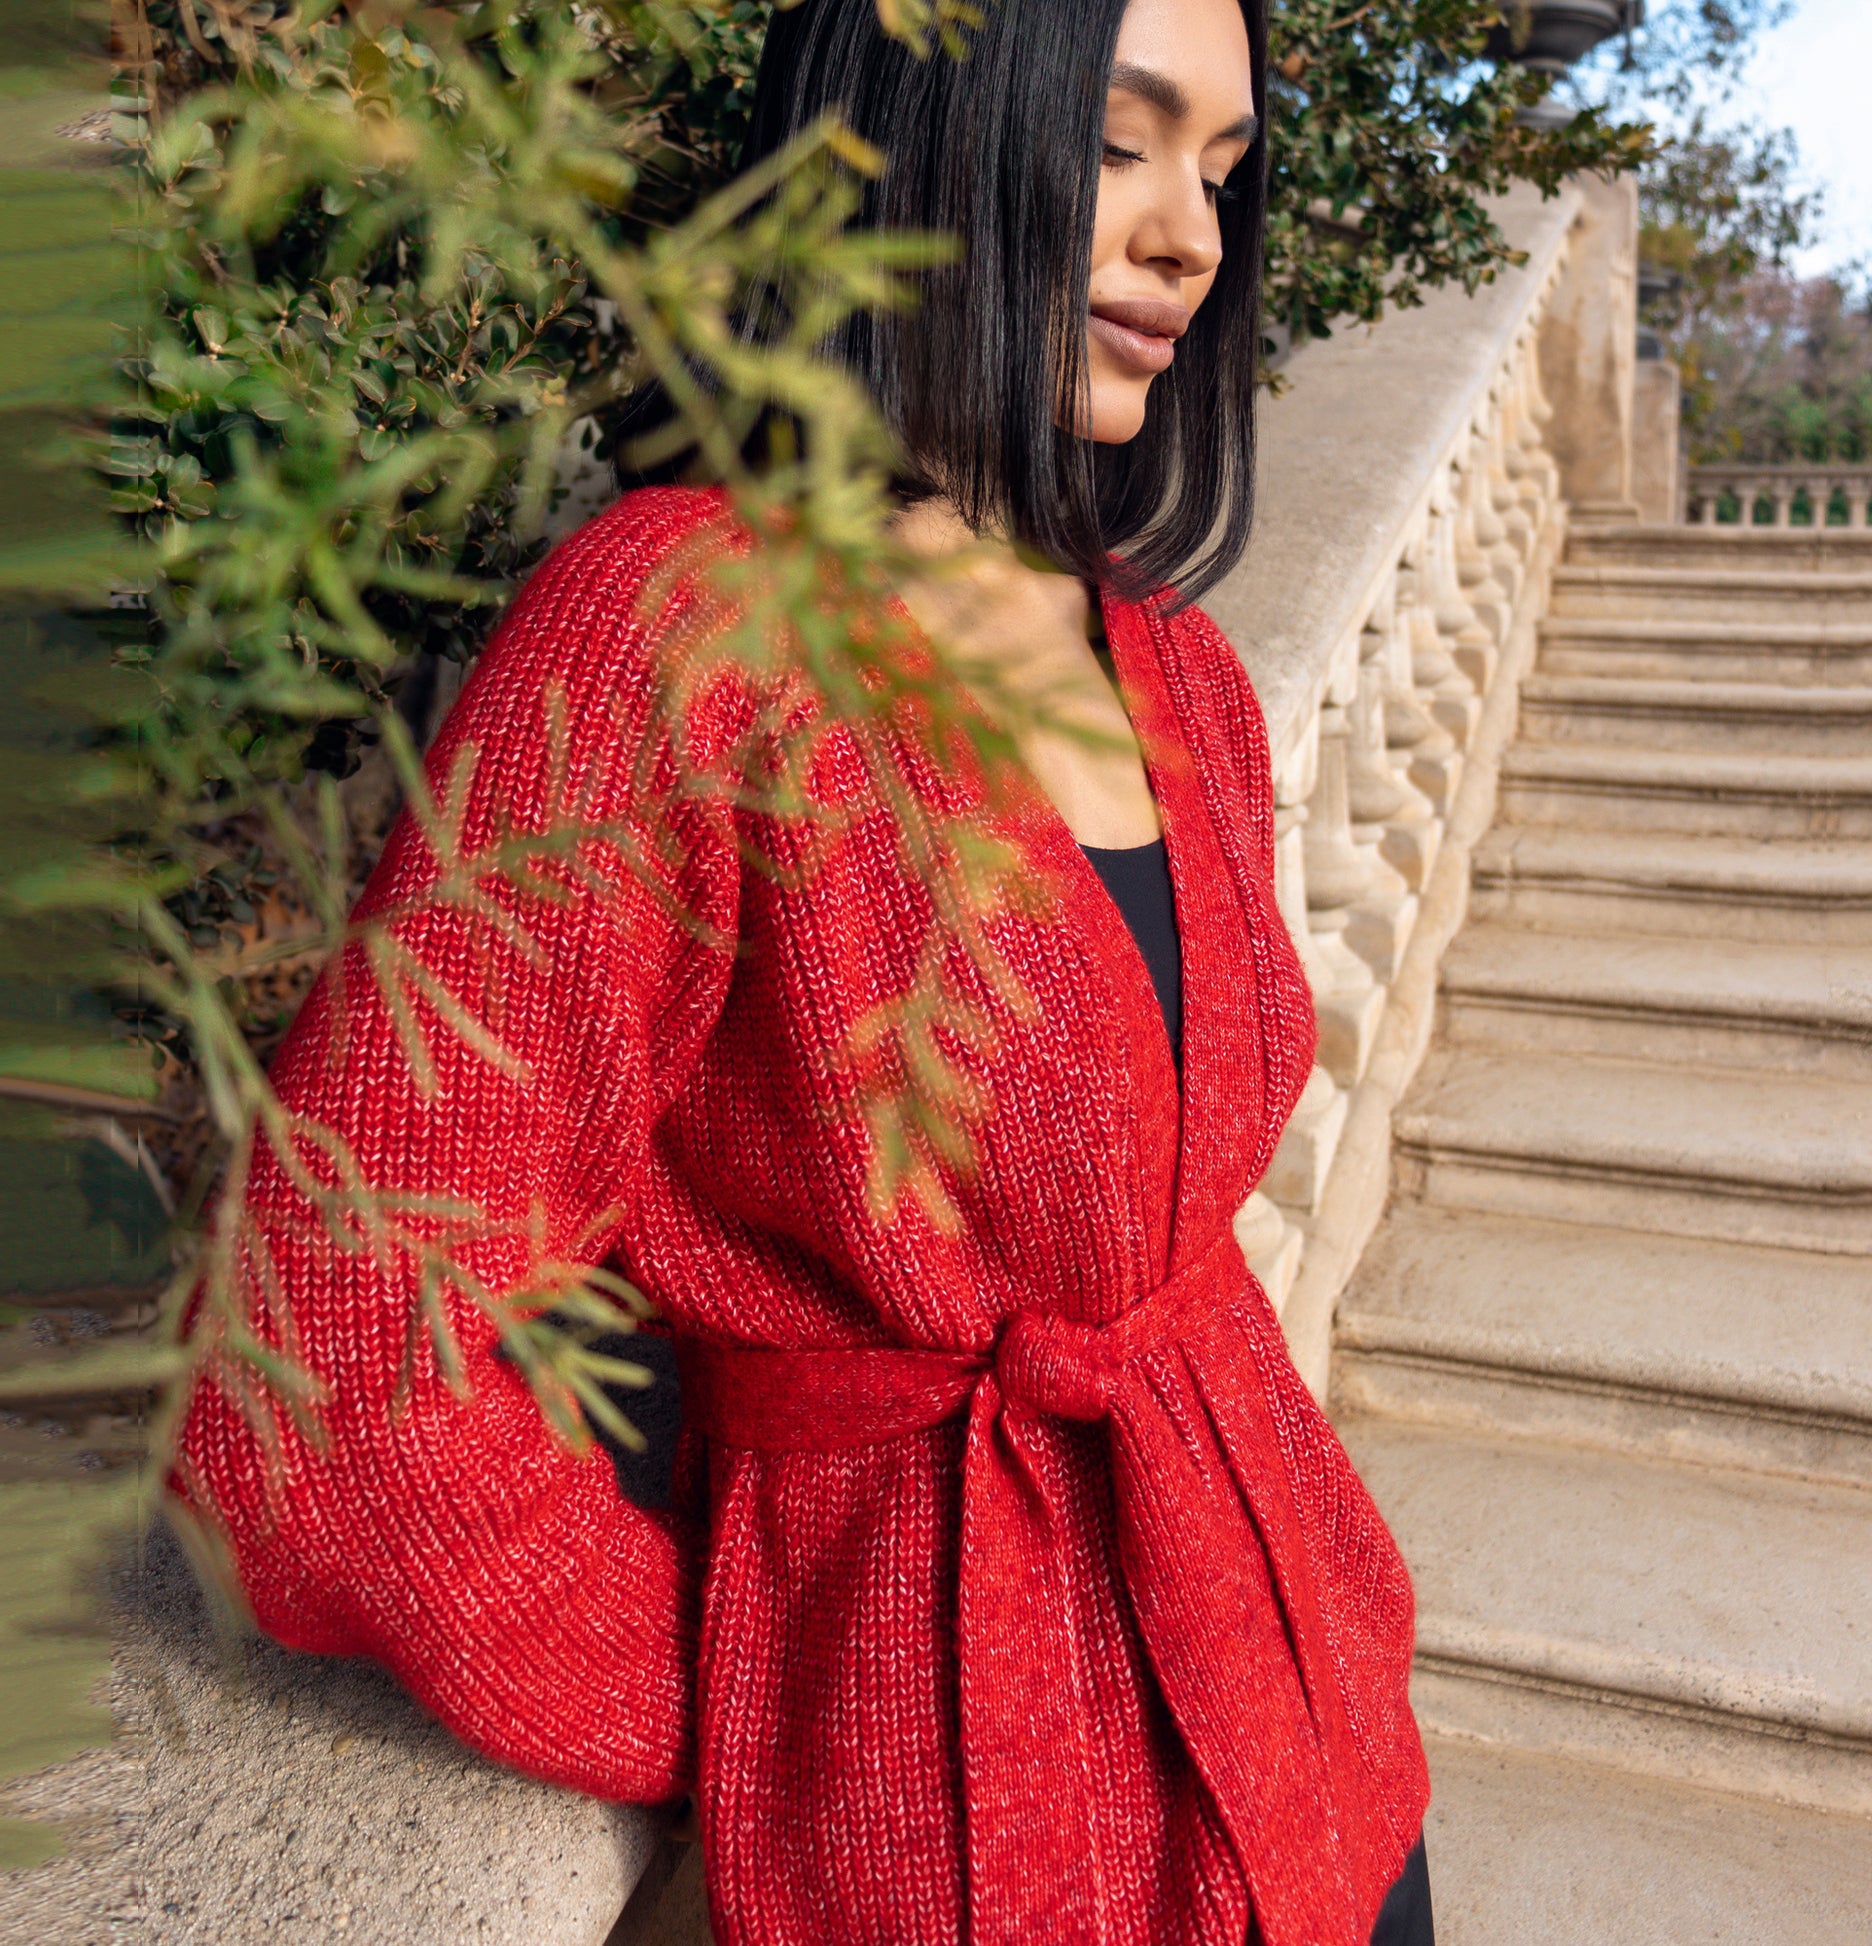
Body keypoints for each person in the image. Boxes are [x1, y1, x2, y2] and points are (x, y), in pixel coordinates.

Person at [173, 0, 1436, 1940]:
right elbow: (328, 1360)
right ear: (923, 133)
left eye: (1222, 167)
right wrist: (718, 1684)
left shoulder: (1170, 659)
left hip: (1308, 1730)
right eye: (1118, 140)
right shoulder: (683, 635)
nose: (1190, 231)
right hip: (952, 1810)